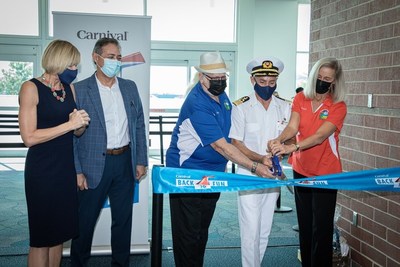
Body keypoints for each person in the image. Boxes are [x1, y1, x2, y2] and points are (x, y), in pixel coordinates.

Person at [166, 51, 276, 267]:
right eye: (214, 79)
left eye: (222, 78)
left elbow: (232, 139)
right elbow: (221, 146)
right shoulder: (197, 102)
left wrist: (260, 158)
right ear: (201, 78)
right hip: (188, 172)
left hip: (213, 172)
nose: (219, 82)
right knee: (188, 232)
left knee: (201, 229)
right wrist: (255, 166)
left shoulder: (223, 98)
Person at [70, 37, 148, 267]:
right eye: (111, 57)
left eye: (119, 57)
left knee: (123, 221)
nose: (116, 61)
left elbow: (139, 125)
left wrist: (141, 160)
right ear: (96, 58)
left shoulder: (129, 87)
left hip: (124, 162)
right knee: (84, 224)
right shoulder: (80, 89)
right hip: (92, 166)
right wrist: (77, 170)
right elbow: (71, 136)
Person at [268, 57, 347, 267]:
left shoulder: (338, 106)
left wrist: (292, 147)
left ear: (334, 82)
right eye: (319, 77)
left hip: (326, 174)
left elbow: (320, 136)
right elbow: (293, 127)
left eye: (327, 79)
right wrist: (279, 140)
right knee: (304, 224)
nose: (322, 81)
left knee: (321, 228)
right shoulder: (301, 98)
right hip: (301, 169)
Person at [18, 39, 90, 267]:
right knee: (41, 239)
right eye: (71, 65)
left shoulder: (68, 89)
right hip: (42, 172)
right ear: (57, 61)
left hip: (64, 169)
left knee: (59, 235)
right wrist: (69, 126)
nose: (75, 70)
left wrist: (79, 125)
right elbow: (29, 137)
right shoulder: (30, 88)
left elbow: (75, 134)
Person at [229, 56, 291, 267]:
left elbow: (291, 137)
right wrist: (259, 159)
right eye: (262, 82)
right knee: (250, 228)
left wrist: (283, 148)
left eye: (271, 83)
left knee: (265, 227)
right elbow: (236, 143)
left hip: (273, 174)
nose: (267, 86)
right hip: (249, 172)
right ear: (252, 80)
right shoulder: (241, 107)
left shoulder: (284, 106)